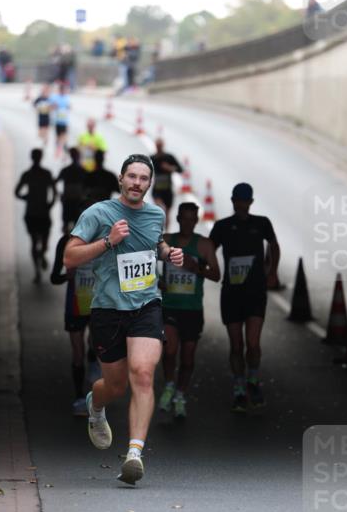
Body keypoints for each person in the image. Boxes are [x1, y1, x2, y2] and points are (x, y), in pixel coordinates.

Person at [63, 154, 184, 485]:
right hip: (108, 309)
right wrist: (107, 242)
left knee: (143, 374)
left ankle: (134, 453)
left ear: (149, 183)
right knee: (114, 386)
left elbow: (154, 244)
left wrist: (168, 252)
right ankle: (95, 404)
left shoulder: (156, 214)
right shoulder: (99, 213)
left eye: (143, 178)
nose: (137, 183)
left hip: (146, 304)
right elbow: (69, 256)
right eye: (131, 176)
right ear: (120, 179)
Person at [210, 183, 280, 412]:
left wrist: (272, 272)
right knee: (236, 345)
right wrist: (205, 270)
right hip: (231, 293)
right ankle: (239, 389)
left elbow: (274, 245)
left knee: (253, 343)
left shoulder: (261, 224)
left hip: (255, 292)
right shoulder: (222, 226)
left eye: (245, 201)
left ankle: (253, 380)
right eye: (237, 200)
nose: (240, 204)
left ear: (250, 202)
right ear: (232, 201)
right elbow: (208, 250)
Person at [158, 202, 220, 419]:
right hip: (169, 306)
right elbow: (144, 261)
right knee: (169, 351)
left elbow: (216, 274)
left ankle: (180, 395)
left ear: (196, 221)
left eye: (191, 219)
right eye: (183, 218)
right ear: (178, 218)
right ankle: (168, 385)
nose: (187, 222)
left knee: (187, 359)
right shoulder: (166, 241)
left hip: (192, 309)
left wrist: (198, 268)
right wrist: (156, 280)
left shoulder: (203, 245)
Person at [50, 233, 96, 416]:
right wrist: (67, 276)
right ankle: (79, 398)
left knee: (96, 345)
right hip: (75, 305)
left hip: (98, 304)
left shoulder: (106, 240)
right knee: (78, 353)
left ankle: (94, 362)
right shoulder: (66, 242)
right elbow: (54, 278)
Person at [14, 149, 56, 283]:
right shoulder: (46, 174)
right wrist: (50, 204)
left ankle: (37, 269)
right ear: (40, 157)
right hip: (43, 213)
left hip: (31, 213)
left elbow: (17, 192)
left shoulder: (27, 174)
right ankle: (42, 257)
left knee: (34, 242)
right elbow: (55, 192)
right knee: (43, 241)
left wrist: (26, 197)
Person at [151, 137, 182, 228]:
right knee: (160, 209)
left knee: (167, 213)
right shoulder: (152, 158)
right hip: (157, 189)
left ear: (163, 146)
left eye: (160, 146)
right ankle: (158, 229)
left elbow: (180, 169)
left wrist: (170, 168)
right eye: (157, 146)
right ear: (155, 146)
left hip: (168, 189)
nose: (159, 148)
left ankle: (166, 233)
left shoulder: (169, 157)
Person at [56, 147, 87, 233]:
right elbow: (89, 187)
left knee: (66, 225)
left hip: (68, 200)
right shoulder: (83, 171)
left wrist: (59, 194)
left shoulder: (66, 170)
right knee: (77, 226)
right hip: (78, 201)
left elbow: (54, 182)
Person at [50, 81, 71, 156]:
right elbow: (51, 107)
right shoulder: (54, 97)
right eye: (62, 90)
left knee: (64, 135)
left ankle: (63, 149)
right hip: (57, 120)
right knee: (58, 136)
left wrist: (68, 107)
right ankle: (58, 148)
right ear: (60, 90)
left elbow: (69, 107)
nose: (63, 92)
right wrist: (54, 106)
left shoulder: (67, 97)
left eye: (64, 90)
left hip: (65, 120)